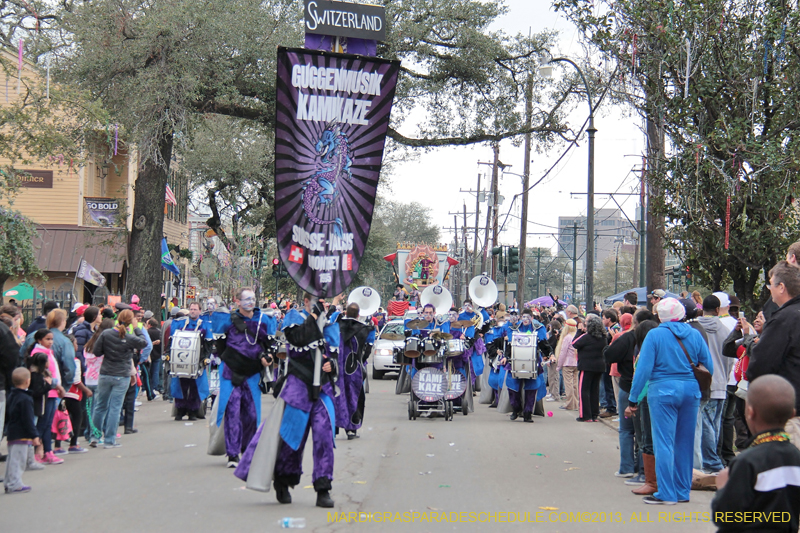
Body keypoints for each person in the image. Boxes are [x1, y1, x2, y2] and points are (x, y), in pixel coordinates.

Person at [236, 293, 337, 508]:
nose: (323, 305)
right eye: (319, 301)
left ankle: (323, 487)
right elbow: (298, 340)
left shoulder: (330, 323)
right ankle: (283, 480)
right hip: (298, 386)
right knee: (292, 437)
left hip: (322, 388)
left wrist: (332, 365)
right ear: (308, 300)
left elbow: (333, 354)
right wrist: (314, 316)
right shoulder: (294, 317)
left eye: (325, 302)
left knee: (324, 437)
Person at [626, 297, 713, 505]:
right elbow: (708, 365)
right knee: (685, 442)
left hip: (663, 390)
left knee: (663, 442)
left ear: (659, 316)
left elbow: (644, 369)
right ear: (682, 314)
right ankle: (683, 491)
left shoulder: (655, 335)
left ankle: (666, 492)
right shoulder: (694, 334)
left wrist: (633, 398)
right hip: (690, 390)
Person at [712, 375, 800, 532]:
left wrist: (724, 488)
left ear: (750, 412)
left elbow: (725, 517)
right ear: (792, 414)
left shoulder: (748, 461)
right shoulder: (796, 457)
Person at [207, 287, 276, 468]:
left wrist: (267, 357)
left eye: (253, 299)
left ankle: (248, 451)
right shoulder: (228, 320)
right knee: (232, 412)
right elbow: (220, 347)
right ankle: (232, 454)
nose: (250, 302)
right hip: (231, 373)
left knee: (252, 415)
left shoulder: (263, 320)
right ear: (237, 301)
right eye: (246, 299)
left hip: (252, 373)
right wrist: (233, 361)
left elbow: (269, 346)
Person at [748, 261, 800, 450]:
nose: (769, 289)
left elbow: (761, 365)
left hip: (790, 412)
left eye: (770, 284)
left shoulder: (784, 319)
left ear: (781, 287)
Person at [89, 310, 148, 448]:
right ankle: (110, 439)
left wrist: (108, 351)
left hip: (105, 373)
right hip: (122, 375)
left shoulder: (106, 334)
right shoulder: (129, 337)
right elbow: (144, 343)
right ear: (130, 321)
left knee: (100, 406)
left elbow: (97, 352)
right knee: (115, 408)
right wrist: (137, 328)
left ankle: (95, 436)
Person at [695, 294, 734, 473]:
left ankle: (711, 461)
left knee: (705, 423)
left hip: (703, 382)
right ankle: (713, 458)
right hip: (721, 382)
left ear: (702, 308)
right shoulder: (726, 330)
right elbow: (728, 359)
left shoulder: (695, 328)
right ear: (718, 309)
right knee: (715, 423)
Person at [498, 309, 550, 423]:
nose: (525, 319)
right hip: (515, 360)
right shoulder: (515, 328)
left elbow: (543, 344)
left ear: (531, 318)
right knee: (512, 386)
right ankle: (516, 409)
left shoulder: (538, 328)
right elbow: (510, 345)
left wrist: (551, 355)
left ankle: (528, 413)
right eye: (523, 317)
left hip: (532, 360)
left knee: (531, 387)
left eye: (527, 317)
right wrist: (506, 357)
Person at [603, 312, 637, 478]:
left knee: (626, 429)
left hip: (627, 382)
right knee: (645, 431)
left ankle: (627, 466)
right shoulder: (657, 336)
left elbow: (609, 354)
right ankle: (644, 468)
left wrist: (610, 342)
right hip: (649, 385)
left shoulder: (624, 337)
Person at [334, 302, 374, 440]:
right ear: (358, 314)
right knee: (355, 397)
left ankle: (333, 427)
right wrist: (361, 360)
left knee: (337, 395)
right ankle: (351, 429)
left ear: (345, 312)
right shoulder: (367, 329)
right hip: (354, 368)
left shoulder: (336, 325)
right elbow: (368, 350)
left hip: (336, 368)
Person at [169, 302, 210, 421]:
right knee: (180, 385)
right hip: (181, 360)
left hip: (197, 361)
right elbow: (172, 341)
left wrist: (205, 358)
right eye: (191, 309)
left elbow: (208, 344)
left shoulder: (205, 325)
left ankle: (193, 411)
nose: (192, 311)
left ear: (200, 311)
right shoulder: (180, 323)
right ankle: (180, 410)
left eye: (195, 309)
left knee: (195, 387)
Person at [4, 368, 42, 494]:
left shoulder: (11, 395)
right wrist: (34, 435)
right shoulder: (25, 399)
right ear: (28, 381)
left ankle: (9, 482)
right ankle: (15, 483)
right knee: (18, 459)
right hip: (21, 434)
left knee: (12, 459)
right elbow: (28, 419)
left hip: (12, 432)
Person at [572, 315, 608, 422]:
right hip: (599, 366)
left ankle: (585, 415)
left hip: (587, 366)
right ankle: (594, 413)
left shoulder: (587, 337)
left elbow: (574, 343)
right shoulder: (603, 338)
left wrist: (579, 331)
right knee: (594, 390)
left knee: (584, 390)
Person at [555, 319, 579, 411]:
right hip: (576, 363)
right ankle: (576, 403)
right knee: (575, 384)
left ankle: (569, 403)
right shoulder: (577, 336)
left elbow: (563, 353)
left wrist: (559, 365)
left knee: (568, 384)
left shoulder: (567, 338)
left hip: (567, 363)